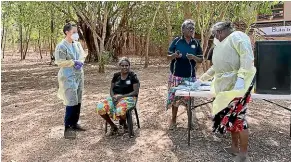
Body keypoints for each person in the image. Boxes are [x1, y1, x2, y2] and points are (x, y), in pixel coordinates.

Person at [197, 21, 256, 162]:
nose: (215, 37)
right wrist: (202, 79)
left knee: (240, 119)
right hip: (225, 88)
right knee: (231, 118)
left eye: (215, 34)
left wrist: (241, 77)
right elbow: (216, 68)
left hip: (237, 86)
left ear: (220, 31)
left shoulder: (237, 36)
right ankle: (234, 147)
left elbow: (246, 57)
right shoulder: (220, 45)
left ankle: (243, 154)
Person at [166, 19, 203, 130]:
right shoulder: (176, 41)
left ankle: (190, 122)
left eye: (193, 28)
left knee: (190, 100)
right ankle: (173, 121)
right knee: (175, 100)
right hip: (176, 76)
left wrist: (194, 58)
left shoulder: (196, 42)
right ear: (183, 30)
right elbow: (168, 56)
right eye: (189, 28)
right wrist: (174, 55)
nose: (191, 30)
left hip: (190, 77)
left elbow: (201, 59)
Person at [54, 22, 87, 139]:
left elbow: (83, 54)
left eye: (76, 32)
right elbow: (59, 62)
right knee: (71, 101)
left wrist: (81, 61)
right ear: (67, 32)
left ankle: (75, 123)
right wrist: (73, 62)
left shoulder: (77, 44)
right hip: (68, 77)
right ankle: (68, 128)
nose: (76, 34)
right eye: (74, 32)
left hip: (79, 75)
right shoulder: (61, 46)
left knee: (78, 99)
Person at [97, 57, 139, 136]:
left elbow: (135, 91)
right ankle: (113, 126)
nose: (124, 67)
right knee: (100, 107)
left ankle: (123, 124)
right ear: (119, 66)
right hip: (115, 98)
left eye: (126, 65)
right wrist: (113, 97)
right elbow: (111, 88)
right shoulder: (116, 76)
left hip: (129, 98)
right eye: (122, 65)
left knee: (120, 110)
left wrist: (121, 97)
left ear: (129, 66)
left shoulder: (133, 76)